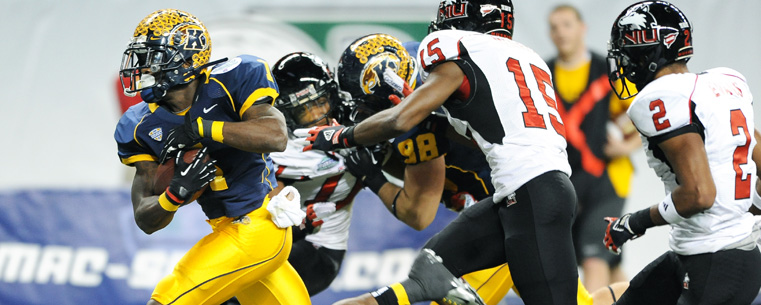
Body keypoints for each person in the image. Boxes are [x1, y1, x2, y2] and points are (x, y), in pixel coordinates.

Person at [301, 0, 582, 303]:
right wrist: (431, 119)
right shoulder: (524, 57)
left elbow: (400, 121)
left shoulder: (452, 49)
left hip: (528, 196)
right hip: (518, 197)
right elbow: (477, 134)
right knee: (431, 265)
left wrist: (342, 137)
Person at [334, 33, 631, 305]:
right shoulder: (420, 67)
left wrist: (372, 176)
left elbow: (419, 211)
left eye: (364, 111)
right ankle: (650, 291)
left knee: (431, 291)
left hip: (506, 211)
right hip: (517, 202)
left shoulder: (414, 113)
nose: (364, 120)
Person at [114, 9, 310, 305]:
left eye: (154, 58)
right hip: (226, 227)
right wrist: (175, 194)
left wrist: (202, 129)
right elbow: (145, 217)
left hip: (259, 223)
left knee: (166, 300)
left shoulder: (232, 79)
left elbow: (275, 136)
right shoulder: (139, 124)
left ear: (186, 59)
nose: (143, 68)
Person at [603, 1, 761, 304]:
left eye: (625, 52)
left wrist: (633, 223)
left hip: (718, 263)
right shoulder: (724, 83)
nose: (623, 61)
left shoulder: (659, 98)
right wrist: (746, 209)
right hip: (698, 254)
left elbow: (699, 194)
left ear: (647, 51)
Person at [545, 4, 641, 292]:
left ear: (582, 28)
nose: (560, 32)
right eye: (554, 26)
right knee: (609, 261)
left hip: (609, 180)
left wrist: (627, 147)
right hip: (569, 183)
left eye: (567, 24)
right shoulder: (543, 74)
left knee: (592, 255)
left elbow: (644, 115)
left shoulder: (609, 72)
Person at [270, 51, 362, 296]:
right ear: (287, 115)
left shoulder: (360, 130)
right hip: (289, 236)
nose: (316, 116)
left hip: (321, 248)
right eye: (304, 110)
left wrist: (373, 173)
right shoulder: (281, 149)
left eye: (320, 102)